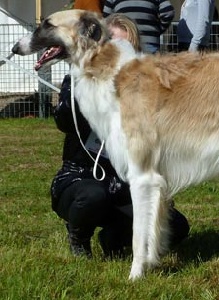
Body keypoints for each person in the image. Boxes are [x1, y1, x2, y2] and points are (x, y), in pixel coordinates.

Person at [50, 14, 189, 259]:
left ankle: (114, 238)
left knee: (177, 226)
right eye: (112, 43)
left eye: (125, 46)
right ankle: (79, 238)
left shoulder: (144, 91)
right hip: (81, 179)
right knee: (93, 197)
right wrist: (87, 87)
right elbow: (63, 121)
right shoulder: (79, 79)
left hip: (124, 187)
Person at [102, 0, 175, 54]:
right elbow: (168, 11)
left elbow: (106, 20)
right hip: (149, 42)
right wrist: (157, 29)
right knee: (150, 72)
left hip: (123, 43)